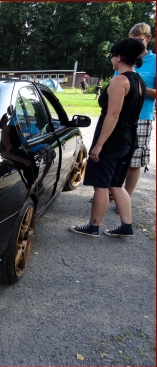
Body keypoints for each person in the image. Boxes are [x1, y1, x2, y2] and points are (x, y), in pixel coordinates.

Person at [70, 38, 146, 238]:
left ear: (119, 57)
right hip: (129, 138)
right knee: (115, 184)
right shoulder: (139, 80)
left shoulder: (119, 80)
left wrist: (99, 145)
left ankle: (93, 226)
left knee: (101, 184)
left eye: (112, 55)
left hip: (112, 139)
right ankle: (126, 226)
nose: (111, 59)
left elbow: (113, 115)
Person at [119, 23, 156, 198]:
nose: (134, 44)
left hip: (142, 116)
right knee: (115, 156)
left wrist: (137, 85)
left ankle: (126, 195)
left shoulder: (154, 62)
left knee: (134, 161)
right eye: (131, 40)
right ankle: (114, 191)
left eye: (139, 40)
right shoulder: (123, 58)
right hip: (120, 115)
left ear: (148, 39)